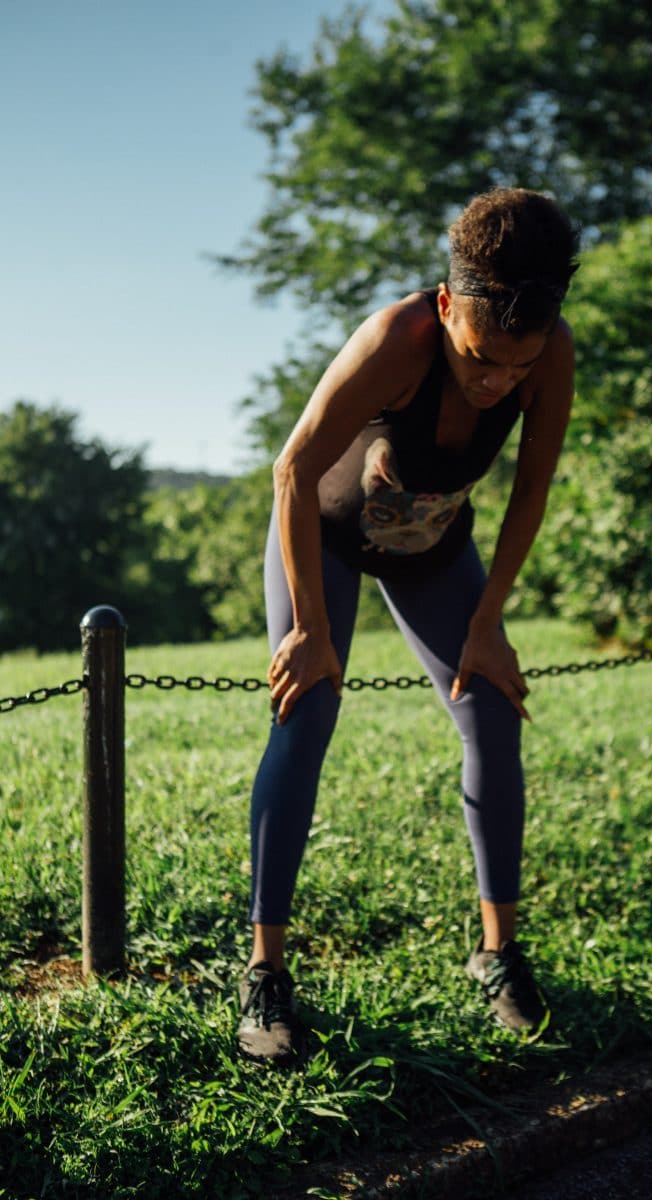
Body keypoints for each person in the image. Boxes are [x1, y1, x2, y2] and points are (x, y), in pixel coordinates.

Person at [237, 187, 579, 1064]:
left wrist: (490, 619)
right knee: (306, 710)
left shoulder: (550, 356)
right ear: (444, 306)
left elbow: (531, 487)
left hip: (432, 548)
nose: (495, 380)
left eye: (515, 365)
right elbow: (292, 469)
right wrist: (310, 629)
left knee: (492, 709)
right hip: (325, 534)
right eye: (478, 358)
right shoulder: (394, 341)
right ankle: (265, 974)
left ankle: (497, 952)